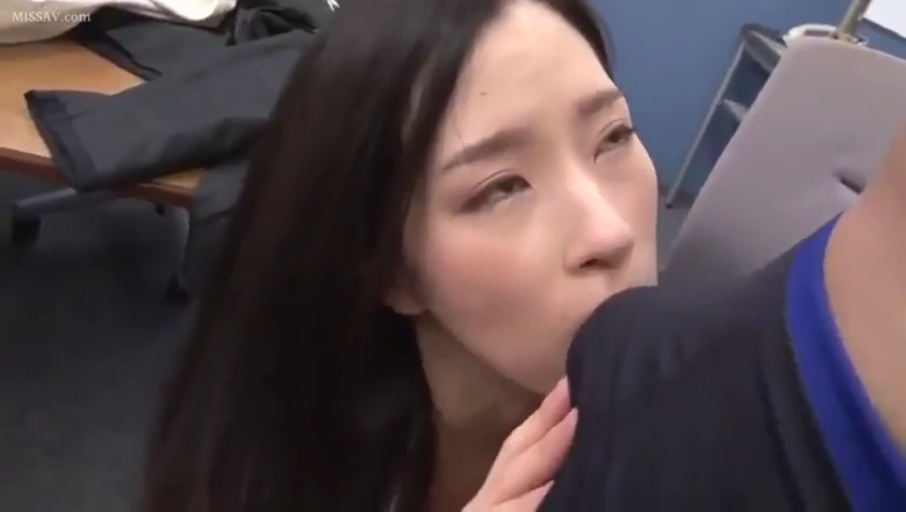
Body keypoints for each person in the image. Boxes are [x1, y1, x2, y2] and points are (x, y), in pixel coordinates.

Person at [144, 0, 657, 511]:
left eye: (614, 136)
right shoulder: (277, 454)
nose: (611, 233)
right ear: (390, 267)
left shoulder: (689, 450)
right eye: (502, 188)